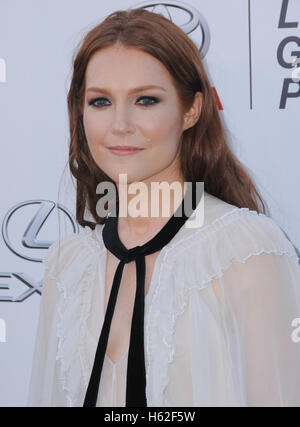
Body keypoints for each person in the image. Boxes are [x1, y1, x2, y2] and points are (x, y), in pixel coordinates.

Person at [27, 8, 300, 407]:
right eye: (101, 101)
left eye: (146, 100)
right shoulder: (67, 266)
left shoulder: (245, 252)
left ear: (191, 110)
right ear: (80, 112)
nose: (120, 124)